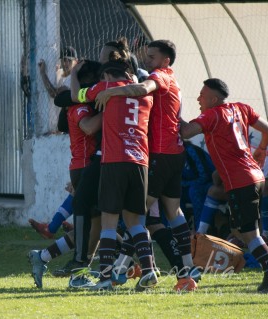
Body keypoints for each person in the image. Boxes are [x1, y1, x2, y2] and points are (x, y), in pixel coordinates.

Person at [95, 40, 200, 291]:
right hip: (174, 153)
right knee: (172, 213)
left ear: (166, 60)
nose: (148, 61)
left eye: (152, 57)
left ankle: (119, 270)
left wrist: (111, 91)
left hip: (158, 155)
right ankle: (186, 269)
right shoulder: (174, 81)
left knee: (137, 216)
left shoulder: (159, 76)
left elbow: (143, 87)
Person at [180, 78, 268, 294]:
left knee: (250, 234)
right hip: (255, 177)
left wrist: (171, 110)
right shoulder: (242, 108)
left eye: (202, 95)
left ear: (213, 99)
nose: (198, 99)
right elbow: (267, 129)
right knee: (245, 231)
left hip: (240, 180)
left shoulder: (212, 114)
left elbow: (186, 132)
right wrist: (262, 149)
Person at [72, 53, 156, 291]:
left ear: (107, 75)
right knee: (136, 223)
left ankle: (107, 278)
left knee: (109, 222)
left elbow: (75, 96)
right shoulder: (145, 94)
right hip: (140, 162)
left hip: (114, 161)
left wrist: (74, 76)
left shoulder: (105, 86)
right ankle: (149, 271)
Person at [28, 60, 102, 289]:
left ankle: (43, 257)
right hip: (85, 167)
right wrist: (111, 111)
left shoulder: (80, 102)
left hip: (85, 166)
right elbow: (88, 127)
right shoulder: (78, 105)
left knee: (93, 227)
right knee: (95, 228)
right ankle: (78, 274)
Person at [181, 140, 215, 231]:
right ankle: (179, 230)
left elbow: (205, 175)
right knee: (171, 194)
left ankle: (199, 230)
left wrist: (185, 184)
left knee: (194, 191)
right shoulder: (171, 154)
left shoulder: (190, 151)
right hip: (188, 186)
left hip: (208, 184)